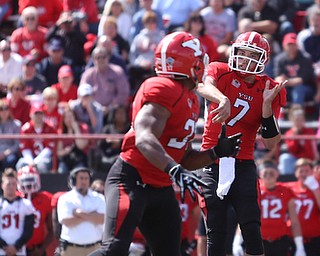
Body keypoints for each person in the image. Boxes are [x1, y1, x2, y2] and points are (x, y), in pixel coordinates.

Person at [89, 31, 242, 256]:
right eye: (199, 61)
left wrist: (216, 152)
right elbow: (144, 137)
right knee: (114, 250)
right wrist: (174, 169)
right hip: (132, 179)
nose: (203, 67)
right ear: (188, 64)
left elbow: (185, 158)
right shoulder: (162, 87)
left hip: (160, 187)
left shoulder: (189, 98)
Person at [195, 31, 287, 256]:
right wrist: (222, 99)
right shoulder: (221, 71)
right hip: (212, 158)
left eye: (250, 54)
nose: (244, 58)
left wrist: (266, 110)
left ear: (262, 59)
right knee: (215, 229)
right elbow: (202, 86)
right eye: (241, 53)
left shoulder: (269, 88)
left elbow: (271, 143)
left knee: (251, 227)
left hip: (243, 161)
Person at [257, 159, 306, 256]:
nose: (268, 175)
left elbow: (294, 220)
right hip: (259, 239)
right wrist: (237, 239)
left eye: (271, 173)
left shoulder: (286, 191)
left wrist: (300, 246)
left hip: (280, 240)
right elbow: (247, 216)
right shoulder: (255, 190)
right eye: (265, 173)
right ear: (260, 174)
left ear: (277, 173)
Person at [57, 167, 105, 256]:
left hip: (94, 248)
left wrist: (79, 214)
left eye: (86, 178)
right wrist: (92, 215)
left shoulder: (99, 198)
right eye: (81, 178)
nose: (84, 181)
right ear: (74, 180)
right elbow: (67, 222)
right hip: (72, 249)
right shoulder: (65, 199)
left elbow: (102, 219)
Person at [285, 158, 320, 255]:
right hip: (292, 238)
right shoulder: (288, 187)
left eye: (307, 171)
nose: (304, 174)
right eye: (301, 171)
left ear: (312, 172)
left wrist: (316, 189)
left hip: (314, 239)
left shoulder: (317, 188)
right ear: (296, 173)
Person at [17, 165, 54, 256]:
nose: (28, 184)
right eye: (25, 181)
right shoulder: (14, 198)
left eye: (31, 180)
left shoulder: (46, 198)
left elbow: (52, 230)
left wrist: (41, 249)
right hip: (16, 248)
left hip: (37, 248)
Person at [274, 32, 316, 107]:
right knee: (277, 89)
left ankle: (297, 113)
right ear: (284, 45)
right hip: (287, 88)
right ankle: (279, 114)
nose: (291, 47)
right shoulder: (279, 59)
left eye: (293, 44)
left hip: (305, 89)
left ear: (297, 45)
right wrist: (282, 81)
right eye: (288, 44)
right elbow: (278, 78)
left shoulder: (305, 58)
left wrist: (286, 81)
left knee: (298, 89)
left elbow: (303, 80)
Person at [0, 168, 35, 256]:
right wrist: (4, 246)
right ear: (2, 185)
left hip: (19, 251)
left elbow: (29, 230)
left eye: (13, 184)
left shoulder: (26, 204)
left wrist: (16, 246)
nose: (11, 187)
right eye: (8, 184)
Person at [16, 103, 57, 173]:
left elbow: (49, 149)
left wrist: (36, 161)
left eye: (40, 113)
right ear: (31, 114)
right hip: (29, 158)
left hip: (44, 158)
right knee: (20, 164)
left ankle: (43, 183)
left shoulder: (50, 128)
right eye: (36, 114)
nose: (38, 116)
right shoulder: (26, 129)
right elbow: (25, 148)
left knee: (42, 165)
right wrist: (30, 161)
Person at [278, 105, 318, 175]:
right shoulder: (289, 133)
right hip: (296, 159)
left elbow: (311, 152)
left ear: (304, 120)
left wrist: (302, 158)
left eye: (301, 120)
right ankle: (289, 179)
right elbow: (293, 150)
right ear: (293, 120)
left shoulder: (310, 132)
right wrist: (295, 135)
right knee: (284, 158)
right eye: (297, 120)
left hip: (308, 159)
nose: (299, 122)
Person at [56, 107, 89, 174]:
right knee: (61, 170)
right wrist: (66, 151)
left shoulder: (83, 127)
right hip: (66, 159)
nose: (69, 119)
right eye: (66, 117)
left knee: (79, 172)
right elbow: (58, 152)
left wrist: (76, 129)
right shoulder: (61, 131)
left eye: (71, 116)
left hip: (79, 159)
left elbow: (81, 146)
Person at [0, 98, 21, 170]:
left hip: (10, 152)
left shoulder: (16, 124)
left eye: (6, 109)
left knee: (10, 161)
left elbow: (17, 144)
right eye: (1, 109)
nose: (4, 112)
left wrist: (5, 153)